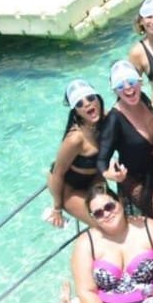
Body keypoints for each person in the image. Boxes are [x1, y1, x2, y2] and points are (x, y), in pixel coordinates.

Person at [97, 60, 153, 227]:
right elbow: (101, 160)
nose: (128, 88)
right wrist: (111, 175)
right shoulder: (114, 120)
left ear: (140, 82)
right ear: (114, 90)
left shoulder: (144, 100)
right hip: (136, 182)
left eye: (132, 82)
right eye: (120, 85)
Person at [47, 79, 104, 228]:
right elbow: (58, 173)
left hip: (93, 181)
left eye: (90, 98)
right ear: (76, 111)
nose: (87, 104)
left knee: (118, 216)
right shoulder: (75, 139)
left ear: (98, 98)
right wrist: (57, 209)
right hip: (69, 189)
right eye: (79, 103)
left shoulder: (105, 121)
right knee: (104, 224)